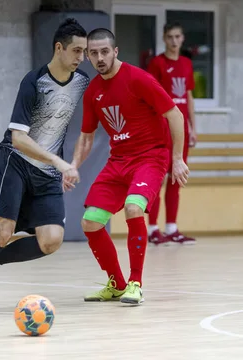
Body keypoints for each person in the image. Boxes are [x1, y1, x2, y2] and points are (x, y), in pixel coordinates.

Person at [0, 18, 90, 315]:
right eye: (76, 51)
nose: (81, 58)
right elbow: (19, 138)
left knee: (50, 241)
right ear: (58, 48)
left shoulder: (82, 82)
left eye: (85, 52)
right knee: (3, 230)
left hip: (46, 174)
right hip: (16, 163)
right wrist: (60, 162)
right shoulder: (34, 82)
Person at [70, 28, 189, 305]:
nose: (99, 58)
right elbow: (87, 137)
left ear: (115, 52)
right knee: (90, 222)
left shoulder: (139, 79)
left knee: (134, 208)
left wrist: (178, 158)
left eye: (104, 52)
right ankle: (117, 284)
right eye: (93, 53)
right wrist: (74, 165)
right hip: (118, 162)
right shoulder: (93, 92)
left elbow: (175, 115)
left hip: (150, 157)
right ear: (87, 56)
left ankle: (136, 283)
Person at [145, 22, 197, 245]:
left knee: (177, 177)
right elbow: (149, 95)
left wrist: (193, 127)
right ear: (164, 39)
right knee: (158, 179)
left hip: (182, 129)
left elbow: (188, 95)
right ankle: (153, 229)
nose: (174, 41)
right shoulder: (157, 63)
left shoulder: (186, 63)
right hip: (163, 128)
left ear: (183, 38)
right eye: (170, 37)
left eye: (178, 37)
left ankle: (172, 228)